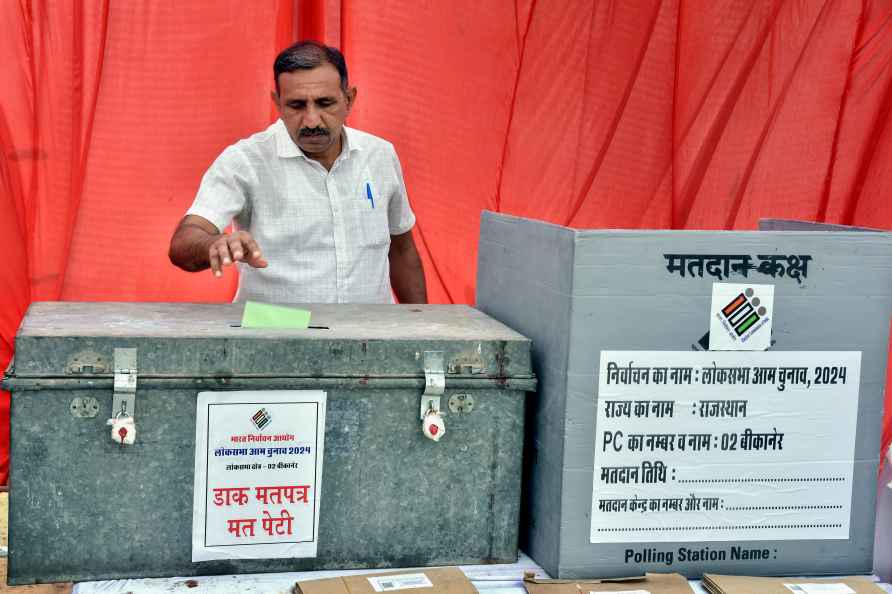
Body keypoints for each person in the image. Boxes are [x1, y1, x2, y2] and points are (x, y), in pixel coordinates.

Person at [169, 41, 427, 304]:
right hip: (276, 337)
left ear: (349, 100)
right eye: (296, 105)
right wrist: (212, 244)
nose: (312, 120)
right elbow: (183, 242)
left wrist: (423, 331)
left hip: (369, 335)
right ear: (277, 103)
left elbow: (402, 250)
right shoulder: (245, 161)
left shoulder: (380, 155)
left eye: (325, 103)